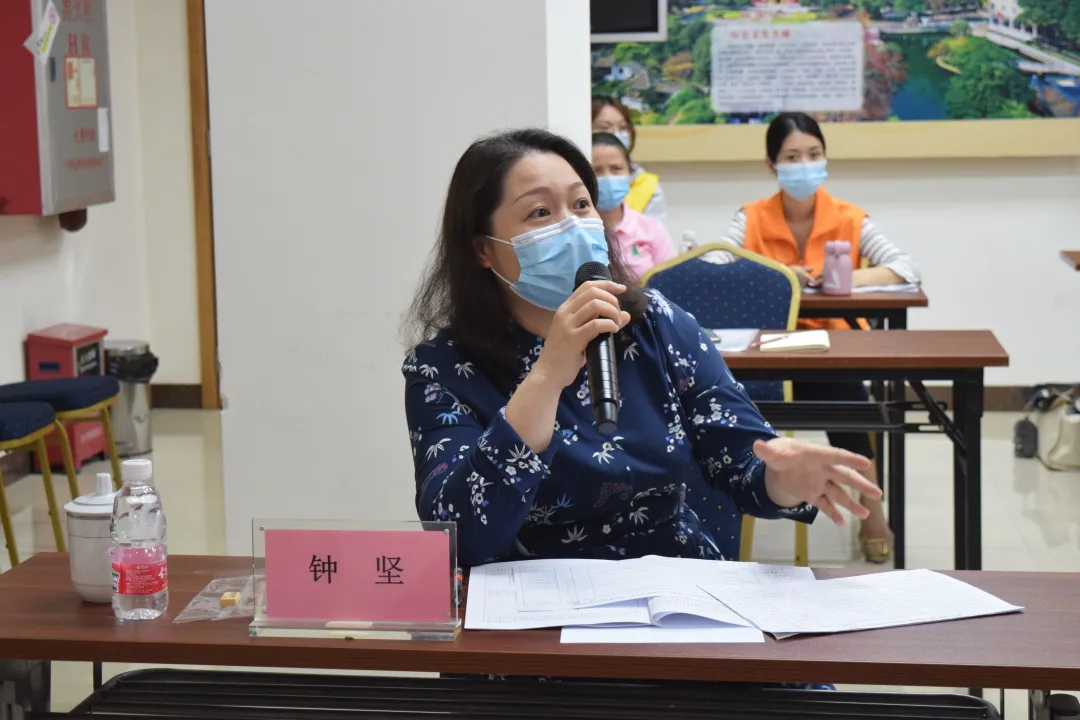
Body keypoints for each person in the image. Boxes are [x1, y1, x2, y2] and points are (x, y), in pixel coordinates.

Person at [402, 127, 880, 572]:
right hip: (527, 603)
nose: (573, 226)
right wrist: (547, 376)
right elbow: (460, 537)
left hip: (671, 587)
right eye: (540, 213)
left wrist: (785, 480)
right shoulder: (442, 368)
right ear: (483, 250)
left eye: (582, 204)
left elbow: (744, 461)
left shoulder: (656, 323)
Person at [713, 111, 922, 563]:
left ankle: (873, 513)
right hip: (764, 353)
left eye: (814, 154)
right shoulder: (750, 217)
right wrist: (776, 275)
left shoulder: (850, 217)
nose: (804, 165)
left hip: (830, 350)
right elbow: (715, 266)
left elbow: (906, 268)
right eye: (792, 157)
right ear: (771, 164)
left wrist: (842, 279)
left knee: (854, 407)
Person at [591, 132, 675, 281]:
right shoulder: (577, 231)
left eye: (616, 168)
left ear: (630, 173)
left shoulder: (651, 229)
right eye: (597, 170)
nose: (608, 177)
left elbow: (671, 282)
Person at [591, 96, 667, 219]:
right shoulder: (573, 181)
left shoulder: (648, 186)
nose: (616, 134)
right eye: (605, 127)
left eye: (622, 128)